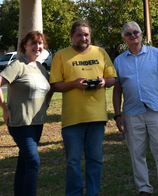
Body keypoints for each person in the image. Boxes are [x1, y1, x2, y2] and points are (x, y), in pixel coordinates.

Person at [50, 20, 117, 196]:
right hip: (73, 119)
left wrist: (103, 82)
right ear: (72, 36)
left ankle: (93, 193)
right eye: (79, 35)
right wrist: (73, 84)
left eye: (86, 35)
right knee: (73, 162)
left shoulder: (100, 52)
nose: (83, 38)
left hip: (97, 117)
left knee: (95, 160)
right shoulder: (61, 55)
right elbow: (55, 85)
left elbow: (112, 78)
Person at [113, 21, 158, 196]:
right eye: (129, 34)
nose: (133, 35)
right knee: (136, 152)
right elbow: (117, 89)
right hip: (132, 113)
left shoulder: (154, 53)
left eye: (136, 32)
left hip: (155, 109)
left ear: (141, 35)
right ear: (124, 39)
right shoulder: (119, 61)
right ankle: (144, 188)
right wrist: (117, 114)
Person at [0, 31, 53, 196]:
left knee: (24, 163)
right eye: (33, 43)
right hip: (20, 123)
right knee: (33, 162)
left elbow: (51, 86)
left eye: (40, 43)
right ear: (24, 45)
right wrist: (4, 108)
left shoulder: (40, 68)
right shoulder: (18, 65)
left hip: (37, 123)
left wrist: (46, 103)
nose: (37, 47)